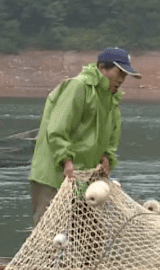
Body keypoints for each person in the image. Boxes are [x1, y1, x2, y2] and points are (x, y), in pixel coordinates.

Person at [28, 47, 141, 225]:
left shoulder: (111, 99)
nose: (121, 79)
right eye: (119, 72)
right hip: (54, 175)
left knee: (90, 234)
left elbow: (111, 138)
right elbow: (58, 129)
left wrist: (106, 158)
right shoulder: (79, 87)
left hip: (85, 178)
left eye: (125, 75)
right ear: (102, 68)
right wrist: (67, 161)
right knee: (49, 231)